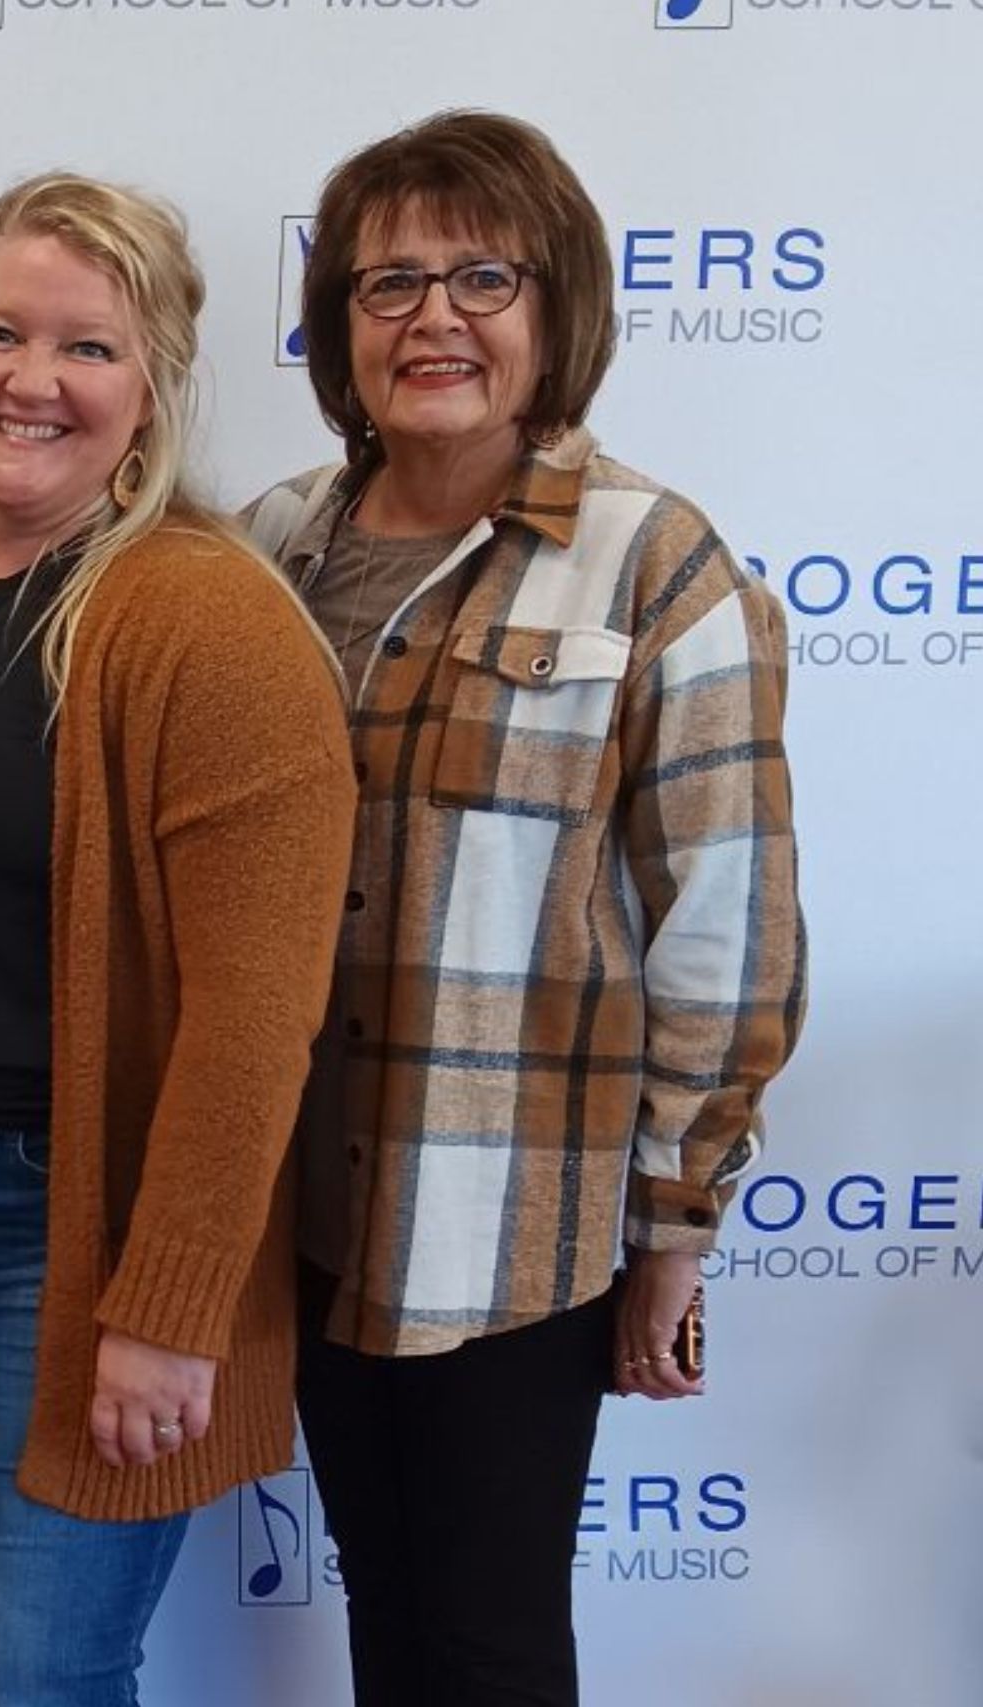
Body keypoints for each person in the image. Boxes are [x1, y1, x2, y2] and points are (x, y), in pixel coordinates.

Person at [245, 110, 806, 1706]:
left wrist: (675, 1226)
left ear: (558, 305)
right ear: (336, 329)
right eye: (387, 282)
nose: (432, 319)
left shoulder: (657, 564)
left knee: (488, 1641)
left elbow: (726, 917)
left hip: (510, 1212)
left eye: (480, 275)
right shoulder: (278, 544)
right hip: (309, 1202)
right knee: (389, 1615)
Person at [0, 172, 356, 1707]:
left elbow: (256, 1013)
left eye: (88, 347)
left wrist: (170, 1309)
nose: (32, 381)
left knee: (39, 1668)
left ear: (156, 381)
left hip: (62, 1230)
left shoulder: (205, 619)